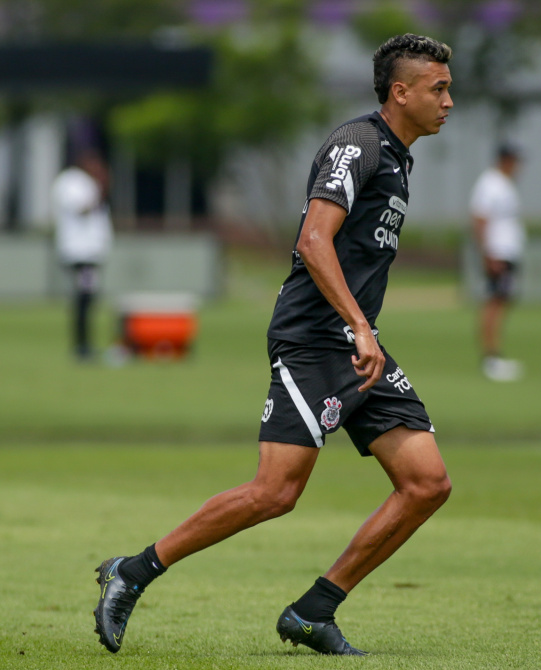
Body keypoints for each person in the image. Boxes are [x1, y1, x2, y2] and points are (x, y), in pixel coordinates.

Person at [92, 33, 454, 657]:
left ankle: (315, 610)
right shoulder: (358, 143)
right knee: (275, 493)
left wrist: (363, 334)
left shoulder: (398, 156)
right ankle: (133, 571)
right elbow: (314, 241)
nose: (450, 101)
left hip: (355, 347)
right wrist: (362, 328)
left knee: (427, 483)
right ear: (401, 92)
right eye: (439, 88)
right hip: (315, 342)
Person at [468, 142, 525, 381]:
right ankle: (490, 357)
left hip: (506, 253)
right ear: (506, 160)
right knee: (494, 303)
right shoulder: (490, 184)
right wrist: (487, 254)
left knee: (501, 302)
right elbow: (480, 219)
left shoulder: (504, 184)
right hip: (497, 254)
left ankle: (494, 355)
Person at [51, 149, 113, 360]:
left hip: (91, 253)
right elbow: (81, 209)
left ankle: (85, 345)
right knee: (84, 298)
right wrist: (102, 187)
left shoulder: (87, 182)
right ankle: (81, 346)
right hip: (80, 252)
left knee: (88, 298)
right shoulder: (70, 181)